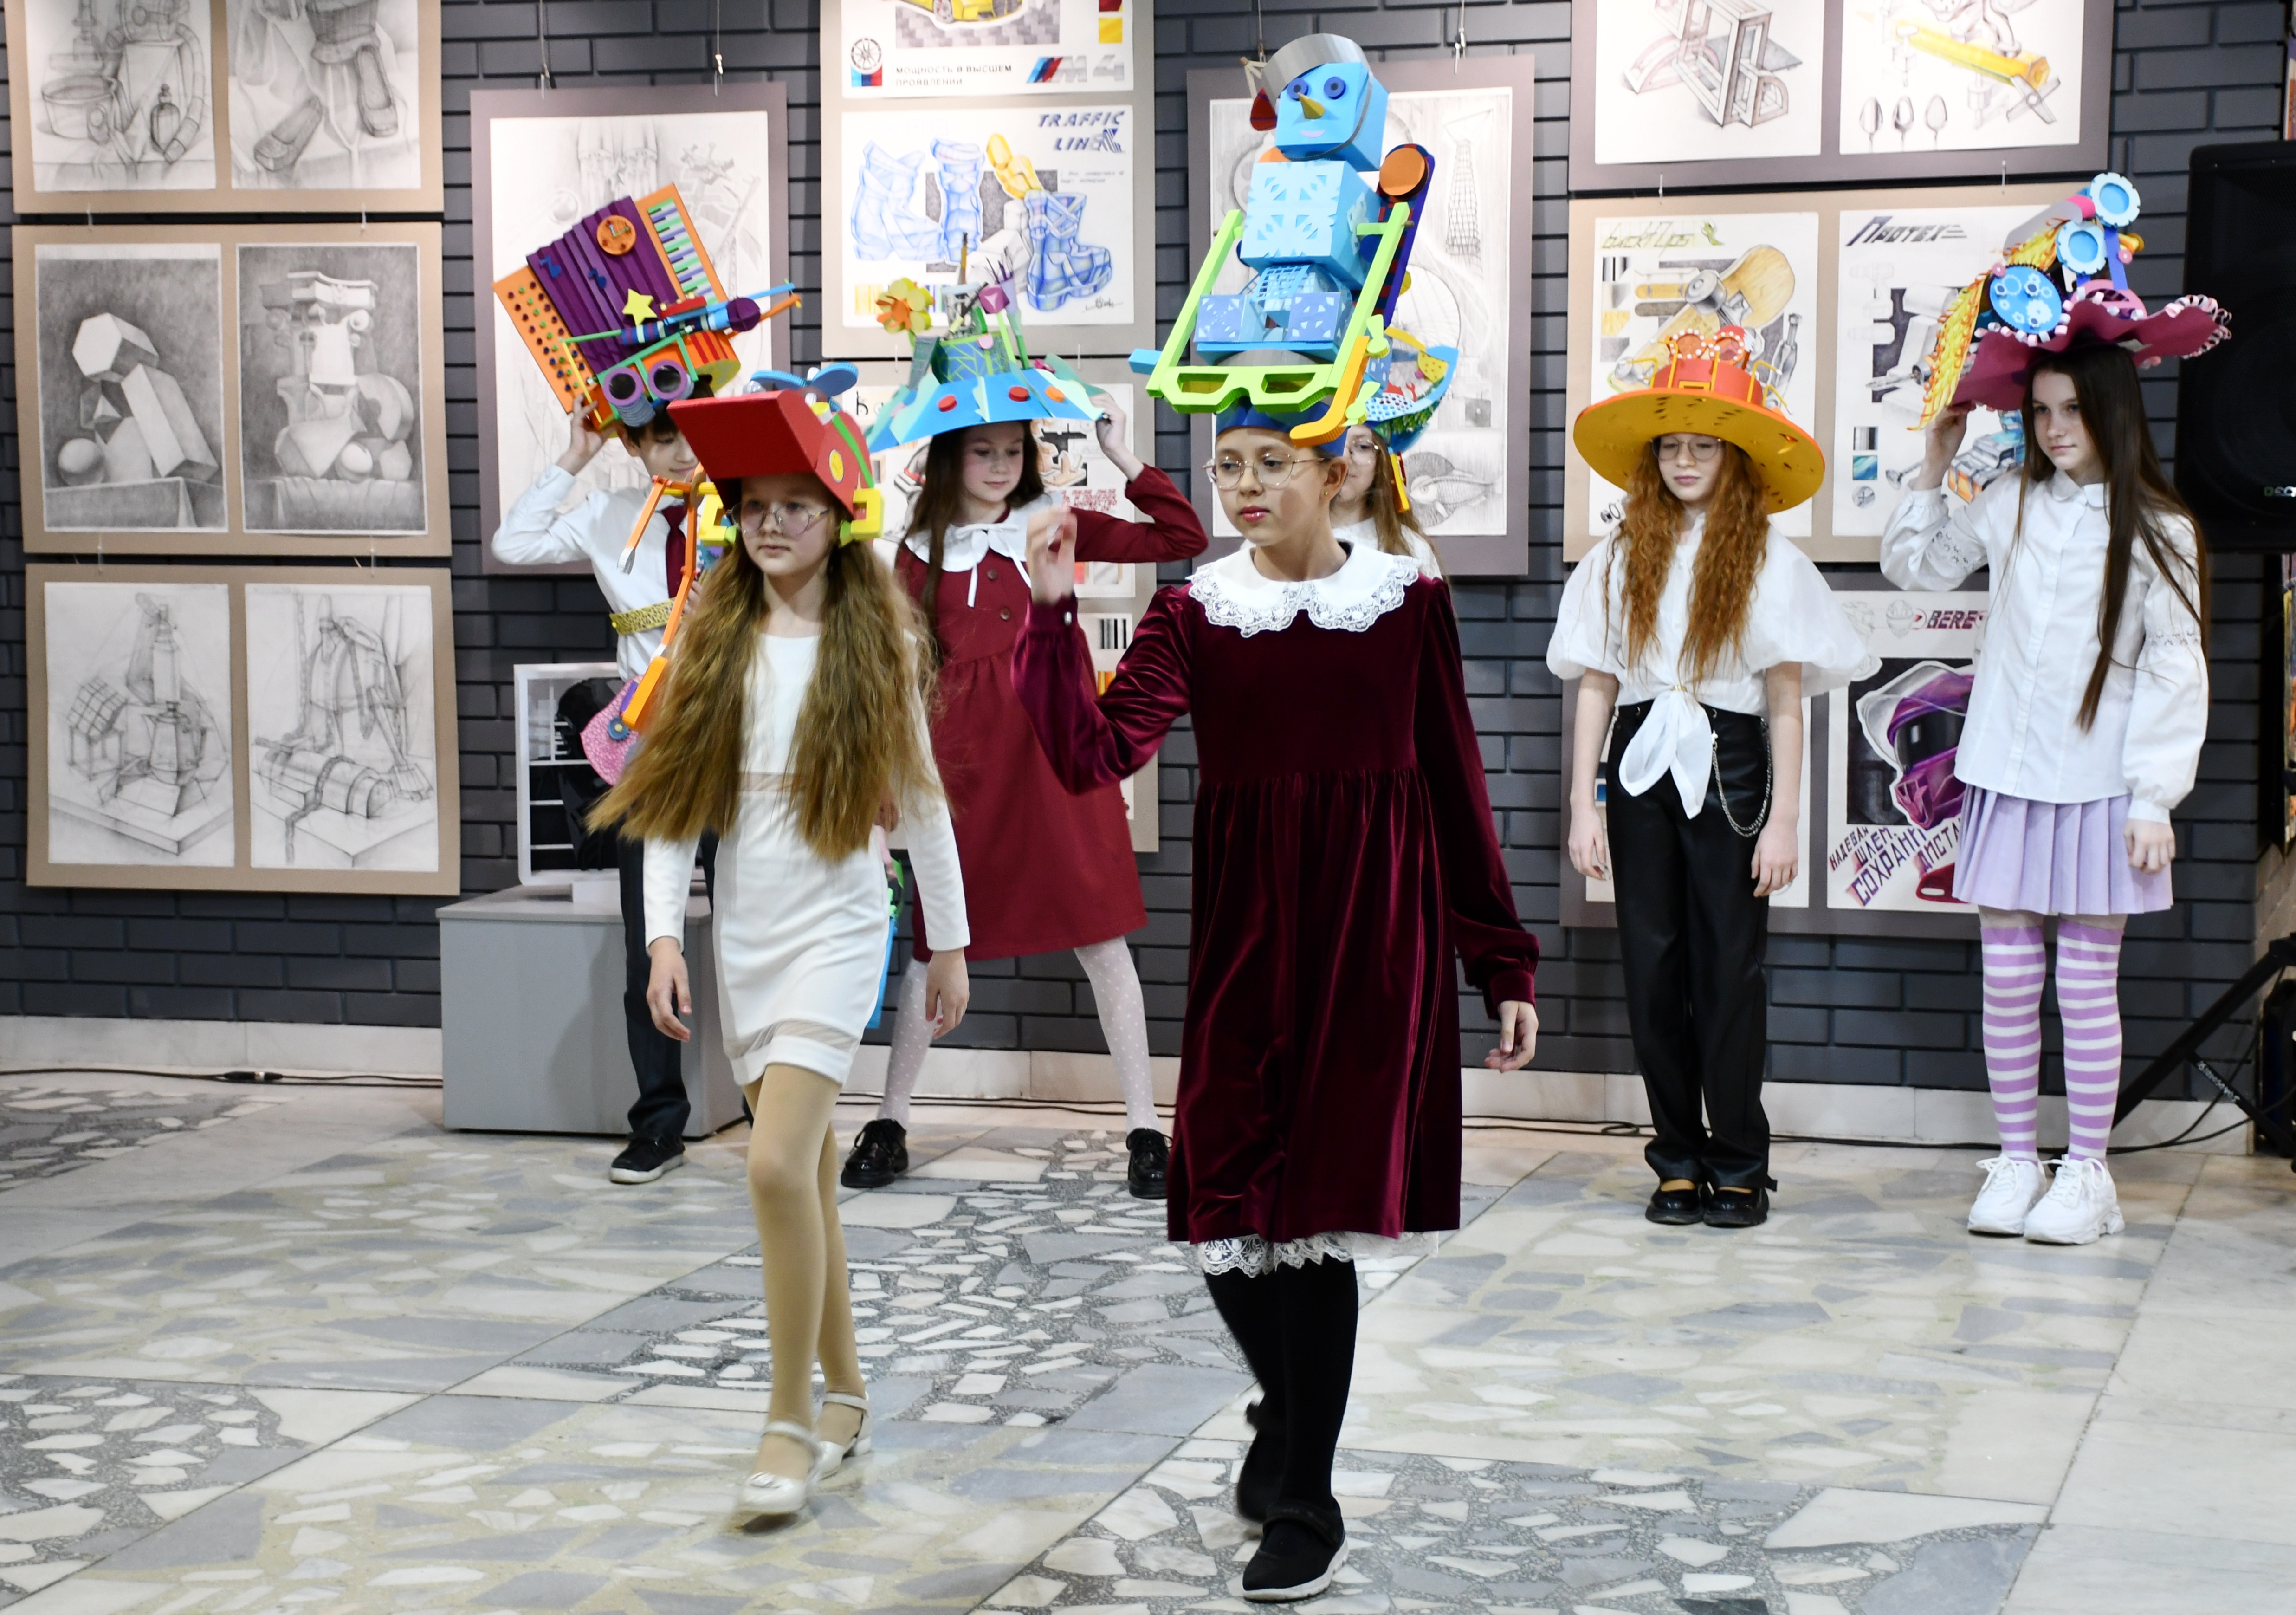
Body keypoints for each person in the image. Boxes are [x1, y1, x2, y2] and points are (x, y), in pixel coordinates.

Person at [1012, 403, 1539, 1601]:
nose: (1245, 485)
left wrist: (1499, 958)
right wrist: (1048, 617)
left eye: (1270, 464)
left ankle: (1307, 1496)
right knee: (1216, 1211)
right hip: (1247, 939)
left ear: (1333, 470)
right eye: (1227, 467)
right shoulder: (1196, 610)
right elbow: (1093, 754)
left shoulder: (1406, 603)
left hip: (1375, 941)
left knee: (1313, 1218)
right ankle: (1287, 1407)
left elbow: (1453, 777)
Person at [590, 387, 971, 1519]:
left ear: (838, 517)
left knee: (768, 1168)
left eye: (794, 506)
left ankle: (787, 1419)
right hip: (748, 929)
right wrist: (663, 933)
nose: (770, 525)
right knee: (802, 1177)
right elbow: (671, 806)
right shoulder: (708, 640)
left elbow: (921, 800)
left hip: (842, 922)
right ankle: (848, 1393)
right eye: (753, 506)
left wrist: (949, 940)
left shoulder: (876, 643)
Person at [841, 337, 1206, 1201]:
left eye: (1013, 449)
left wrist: (1123, 456)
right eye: (983, 451)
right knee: (934, 942)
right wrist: (887, 783)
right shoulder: (911, 553)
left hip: (1056, 754)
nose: (1001, 465)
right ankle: (889, 1119)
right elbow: (892, 677)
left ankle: (1146, 1128)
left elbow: (1182, 535)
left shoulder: (1054, 525)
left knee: (1100, 934)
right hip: (959, 767)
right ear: (948, 458)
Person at [1884, 347, 2209, 1245]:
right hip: (2007, 773)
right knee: (2008, 978)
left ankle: (2088, 1171)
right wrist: (1934, 462)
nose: (2056, 428)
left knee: (2085, 981)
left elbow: (2175, 663)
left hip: (2102, 781)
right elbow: (1917, 568)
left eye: (2073, 409)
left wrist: (2154, 795)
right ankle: (2017, 1159)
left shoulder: (2160, 528)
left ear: (2113, 411)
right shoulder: (2010, 501)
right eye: (2040, 411)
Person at [1551, 328, 1867, 1230]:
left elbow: (1785, 700)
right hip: (1640, 757)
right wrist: (1584, 804)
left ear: (1735, 458)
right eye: (1670, 446)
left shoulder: (1769, 558)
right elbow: (1596, 684)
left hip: (1731, 759)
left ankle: (1738, 1160)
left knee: (1729, 967)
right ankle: (1675, 1158)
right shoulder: (1618, 555)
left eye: (1702, 445)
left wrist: (1785, 819)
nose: (1684, 460)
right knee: (1650, 964)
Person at [492, 398, 718, 1186]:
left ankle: (776, 1112)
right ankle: (658, 1123)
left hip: (740, 745)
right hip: (652, 756)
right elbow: (513, 543)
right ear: (637, 444)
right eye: (662, 438)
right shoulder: (607, 514)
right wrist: (576, 455)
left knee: (754, 932)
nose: (681, 452)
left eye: (693, 433)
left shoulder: (746, 512)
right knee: (647, 941)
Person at [1329, 422, 1442, 579]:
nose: (1344, 457)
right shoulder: (1294, 543)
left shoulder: (1412, 549)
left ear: (1382, 459)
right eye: (1332, 442)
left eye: (1363, 447)